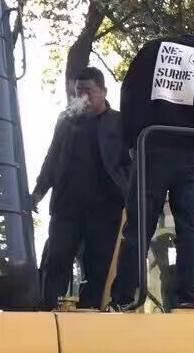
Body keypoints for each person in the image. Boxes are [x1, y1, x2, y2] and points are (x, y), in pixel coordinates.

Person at [112, 32, 194, 310]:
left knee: (138, 228)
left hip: (151, 148)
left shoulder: (152, 50)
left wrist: (133, 140)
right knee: (191, 229)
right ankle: (187, 299)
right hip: (192, 155)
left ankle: (123, 298)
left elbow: (128, 95)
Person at [31, 67, 129, 310]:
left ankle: (91, 312)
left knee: (98, 265)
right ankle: (46, 309)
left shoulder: (120, 122)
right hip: (67, 205)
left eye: (88, 91)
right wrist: (39, 191)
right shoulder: (66, 121)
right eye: (78, 92)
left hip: (105, 207)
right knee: (56, 258)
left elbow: (130, 163)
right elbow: (52, 158)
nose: (82, 98)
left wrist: (130, 192)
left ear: (103, 91)